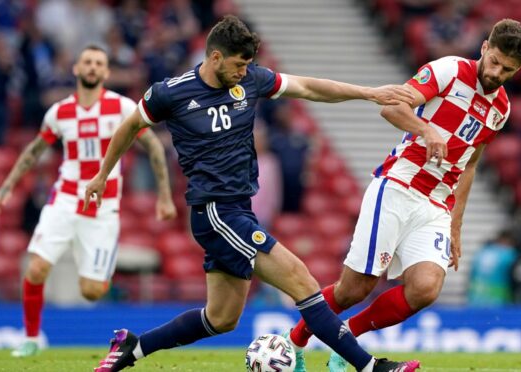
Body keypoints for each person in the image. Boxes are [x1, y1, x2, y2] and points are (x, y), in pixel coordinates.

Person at [86, 15, 420, 372]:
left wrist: (368, 93)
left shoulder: (251, 81)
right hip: (215, 211)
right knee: (302, 280)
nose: (244, 72)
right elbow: (130, 126)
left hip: (238, 210)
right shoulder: (170, 92)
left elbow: (308, 87)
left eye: (248, 65)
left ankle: (133, 347)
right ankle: (371, 367)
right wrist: (102, 175)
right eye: (238, 64)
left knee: (221, 318)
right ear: (214, 57)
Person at [285, 18, 521, 372]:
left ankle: (346, 343)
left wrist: (456, 227)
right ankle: (293, 341)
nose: (497, 73)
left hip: (436, 205)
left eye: (507, 69)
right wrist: (426, 129)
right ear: (484, 47)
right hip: (398, 186)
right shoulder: (448, 70)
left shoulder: (501, 108)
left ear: (518, 68)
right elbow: (392, 106)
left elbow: (471, 163)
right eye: (494, 61)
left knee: (425, 289)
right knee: (354, 288)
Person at [0, 45, 177, 358]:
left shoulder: (121, 107)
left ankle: (96, 261)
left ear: (106, 73)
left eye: (98, 64)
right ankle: (32, 338)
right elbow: (34, 151)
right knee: (35, 269)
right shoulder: (59, 112)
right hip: (63, 199)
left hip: (102, 209)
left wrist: (165, 196)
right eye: (87, 62)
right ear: (76, 69)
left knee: (91, 292)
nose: (92, 67)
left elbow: (155, 148)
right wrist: (6, 187)